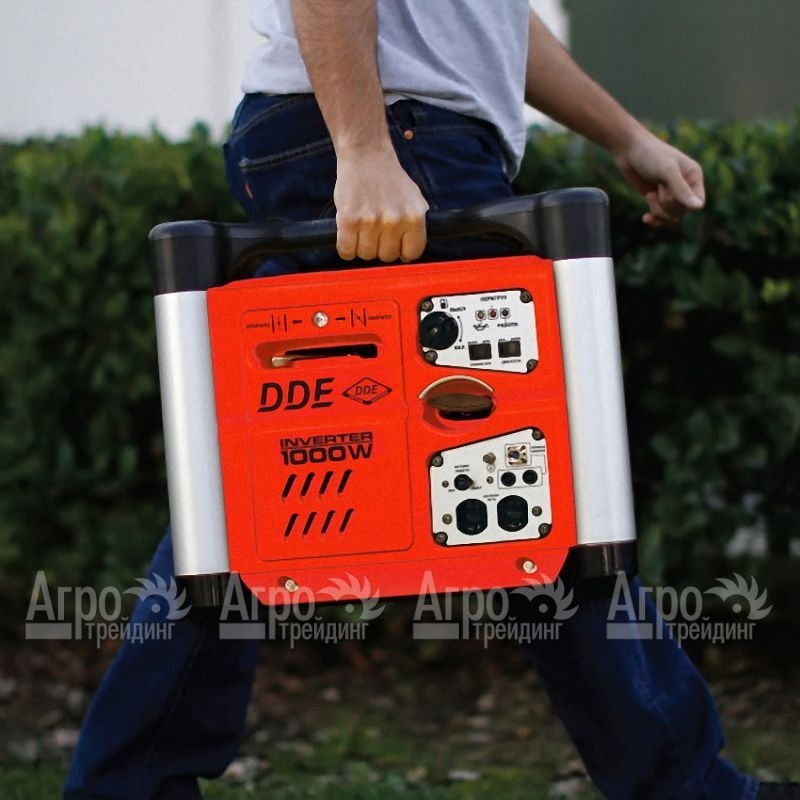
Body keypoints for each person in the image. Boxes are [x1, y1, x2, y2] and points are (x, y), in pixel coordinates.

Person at [64, 2, 796, 798]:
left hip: (368, 132)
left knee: (258, 484)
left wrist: (624, 135)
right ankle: (687, 788)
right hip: (399, 135)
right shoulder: (377, 140)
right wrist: (364, 148)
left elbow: (488, 18)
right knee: (532, 479)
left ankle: (124, 783)